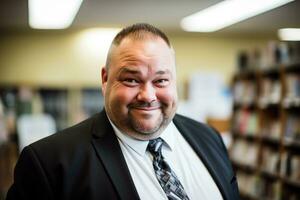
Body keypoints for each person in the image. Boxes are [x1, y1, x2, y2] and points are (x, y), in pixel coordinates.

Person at [6, 23, 239, 200]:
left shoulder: (210, 138)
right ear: (105, 79)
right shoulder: (49, 162)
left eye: (161, 80)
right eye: (131, 79)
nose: (148, 96)